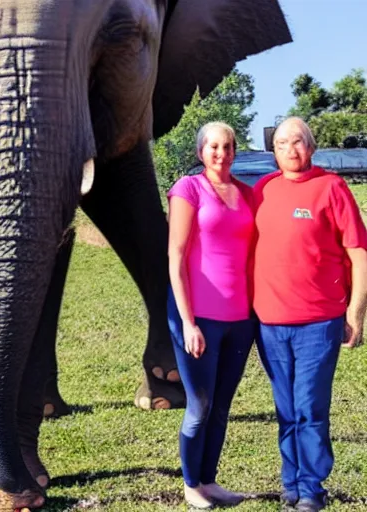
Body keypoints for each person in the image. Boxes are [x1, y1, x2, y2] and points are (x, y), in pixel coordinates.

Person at [253, 117, 367, 512]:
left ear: (311, 147)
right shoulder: (262, 190)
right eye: (282, 142)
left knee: (310, 408)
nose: (290, 149)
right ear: (274, 150)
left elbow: (358, 251)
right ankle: (291, 483)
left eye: (298, 141)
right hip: (269, 323)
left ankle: (312, 488)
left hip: (319, 322)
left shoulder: (332, 188)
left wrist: (357, 310)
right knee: (286, 409)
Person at [167, 121, 256, 509]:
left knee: (221, 406)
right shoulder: (189, 189)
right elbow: (176, 256)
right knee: (200, 406)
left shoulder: (249, 194)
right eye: (214, 146)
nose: (222, 153)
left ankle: (209, 480)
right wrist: (188, 322)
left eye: (228, 146)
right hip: (198, 317)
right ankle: (190, 484)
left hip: (241, 319)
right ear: (201, 151)